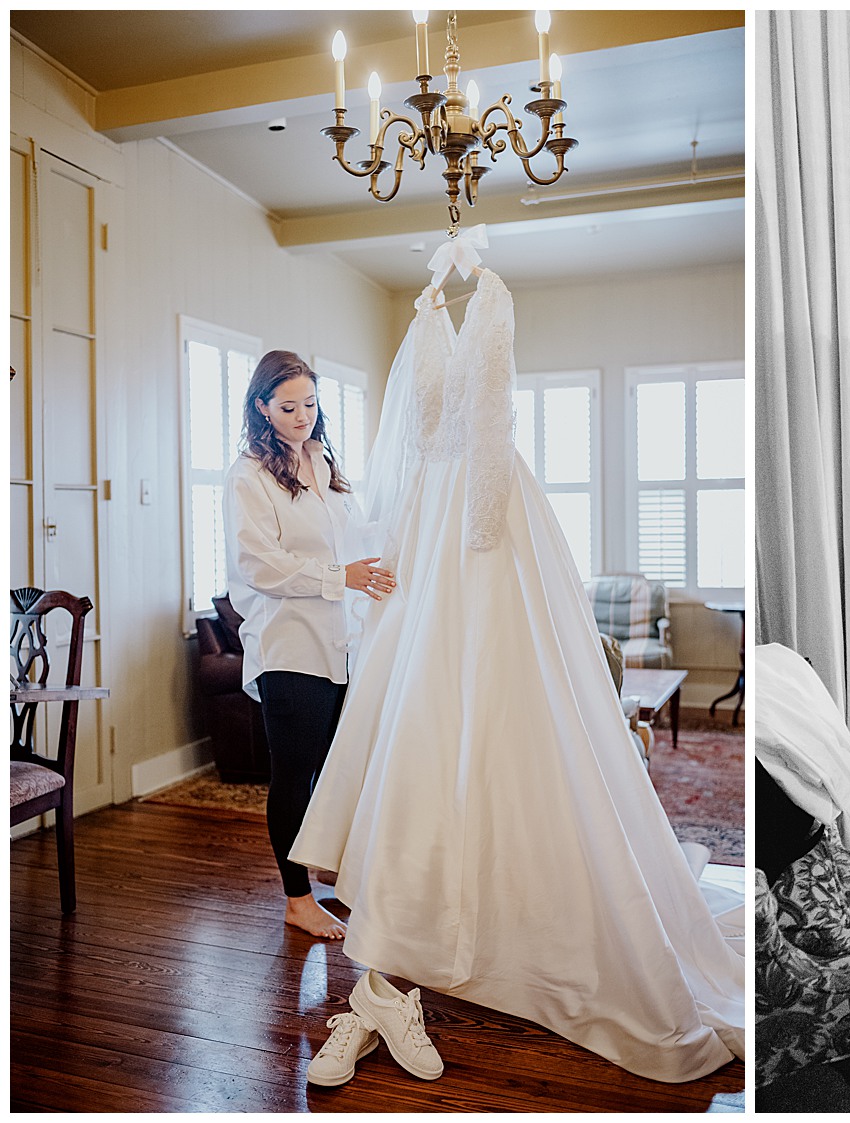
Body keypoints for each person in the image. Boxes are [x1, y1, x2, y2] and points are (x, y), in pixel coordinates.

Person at [289, 247, 744, 1083]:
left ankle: (418, 967)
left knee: (497, 721)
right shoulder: (427, 314)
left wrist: (480, 534)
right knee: (416, 731)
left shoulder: (489, 300)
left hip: (484, 526)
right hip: (431, 533)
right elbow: (406, 452)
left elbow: (489, 431)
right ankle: (387, 980)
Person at [224, 351, 395, 940]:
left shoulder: (324, 461)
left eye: (310, 405)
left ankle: (328, 879)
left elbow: (355, 539)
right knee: (295, 773)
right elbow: (258, 565)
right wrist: (336, 578)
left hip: (345, 642)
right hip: (290, 647)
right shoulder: (249, 474)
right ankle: (296, 899)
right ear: (261, 408)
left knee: (335, 769)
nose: (301, 417)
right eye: (288, 406)